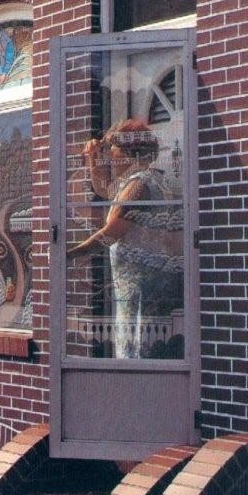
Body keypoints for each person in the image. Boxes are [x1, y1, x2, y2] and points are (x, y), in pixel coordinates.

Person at [67, 119, 183, 358]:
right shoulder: (148, 180)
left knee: (139, 355)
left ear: (131, 153)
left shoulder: (138, 185)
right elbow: (104, 190)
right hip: (149, 286)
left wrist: (70, 254)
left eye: (114, 148)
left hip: (140, 291)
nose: (110, 154)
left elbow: (110, 233)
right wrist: (93, 158)